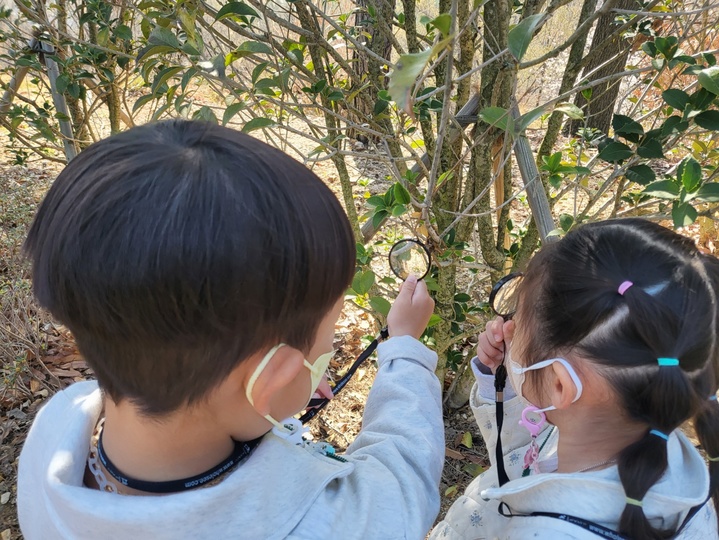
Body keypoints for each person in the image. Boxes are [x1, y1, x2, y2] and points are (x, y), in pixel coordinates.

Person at [17, 120, 444, 540]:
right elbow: (403, 480)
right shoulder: (345, 523)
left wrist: (277, 400)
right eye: (328, 335)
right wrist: (404, 347)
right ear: (270, 378)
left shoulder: (52, 438)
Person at [431, 218, 719, 539]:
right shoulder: (650, 450)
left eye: (518, 321)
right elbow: (528, 454)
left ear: (560, 385)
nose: (506, 328)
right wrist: (502, 383)